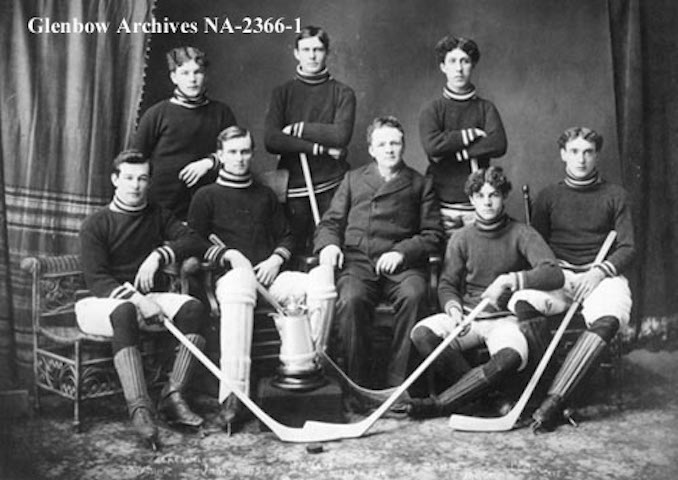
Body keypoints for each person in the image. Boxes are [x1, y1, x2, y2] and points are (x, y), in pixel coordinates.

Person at [406, 166, 564, 418]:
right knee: (422, 333)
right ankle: (489, 398)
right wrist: (453, 308)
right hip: (469, 317)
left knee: (511, 357)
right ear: (471, 200)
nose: (487, 201)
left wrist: (510, 280)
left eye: (494, 194)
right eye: (480, 196)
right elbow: (447, 283)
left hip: (505, 321)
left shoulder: (522, 233)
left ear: (503, 197)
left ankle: (443, 404)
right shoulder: (461, 237)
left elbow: (554, 272)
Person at [76, 150, 209, 448]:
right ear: (115, 180)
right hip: (100, 303)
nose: (135, 185)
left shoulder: (157, 214)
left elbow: (194, 240)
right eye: (128, 178)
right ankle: (140, 409)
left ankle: (173, 397)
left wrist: (158, 255)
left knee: (193, 308)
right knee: (124, 310)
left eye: (142, 179)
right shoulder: (95, 224)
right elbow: (98, 281)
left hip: (146, 296)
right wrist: (138, 300)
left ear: (149, 182)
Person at [509, 127, 635, 432]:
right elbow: (534, 249)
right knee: (523, 301)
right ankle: (550, 382)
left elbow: (629, 247)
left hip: (601, 274)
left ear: (596, 155)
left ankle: (555, 400)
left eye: (588, 152)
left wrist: (598, 272)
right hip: (560, 274)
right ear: (563, 154)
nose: (581, 158)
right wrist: (559, 275)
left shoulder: (615, 195)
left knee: (610, 316)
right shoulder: (548, 196)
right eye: (575, 151)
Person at [314, 116, 444, 392]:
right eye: (382, 144)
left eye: (395, 143)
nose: (389, 149)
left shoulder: (420, 184)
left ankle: (400, 386)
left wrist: (402, 252)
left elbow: (433, 234)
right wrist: (329, 245)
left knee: (415, 295)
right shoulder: (352, 179)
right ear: (371, 149)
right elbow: (330, 223)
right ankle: (356, 386)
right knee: (351, 300)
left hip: (402, 266)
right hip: (358, 261)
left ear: (403, 146)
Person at [187, 125, 294, 433]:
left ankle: (305, 381)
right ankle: (234, 397)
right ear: (220, 156)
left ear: (252, 153)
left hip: (269, 279)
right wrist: (229, 256)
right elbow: (192, 242)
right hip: (230, 281)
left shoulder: (264, 195)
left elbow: (287, 236)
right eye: (232, 152)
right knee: (239, 285)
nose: (239, 158)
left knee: (318, 285)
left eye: (245, 151)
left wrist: (275, 259)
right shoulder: (205, 196)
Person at [264, 25, 356, 259]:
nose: (312, 55)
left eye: (318, 49)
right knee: (293, 251)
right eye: (306, 49)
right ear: (296, 53)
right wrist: (318, 148)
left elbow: (341, 136)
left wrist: (298, 129)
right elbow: (272, 140)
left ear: (327, 53)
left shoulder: (342, 93)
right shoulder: (282, 92)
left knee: (331, 248)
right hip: (293, 186)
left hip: (332, 184)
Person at [133, 46, 237, 221]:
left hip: (208, 205)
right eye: (185, 73)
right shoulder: (157, 114)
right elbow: (136, 160)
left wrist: (209, 162)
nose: (192, 79)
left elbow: (237, 153)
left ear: (205, 75)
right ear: (174, 77)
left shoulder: (221, 113)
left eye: (198, 72)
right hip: (161, 207)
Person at [419, 35, 507, 238]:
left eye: (465, 61)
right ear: (443, 66)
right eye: (452, 61)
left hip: (479, 205)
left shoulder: (485, 108)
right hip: (441, 205)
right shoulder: (433, 109)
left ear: (473, 65)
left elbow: (498, 143)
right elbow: (432, 146)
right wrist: (471, 134)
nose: (459, 68)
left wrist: (456, 153)